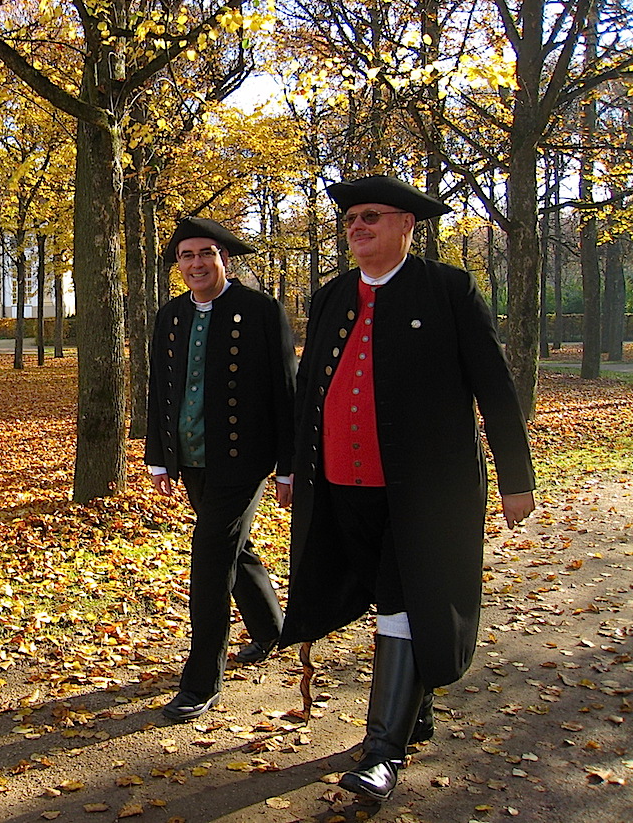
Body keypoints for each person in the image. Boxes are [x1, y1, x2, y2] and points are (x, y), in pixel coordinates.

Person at [279, 175, 536, 800]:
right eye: (349, 220)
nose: (357, 227)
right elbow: (310, 388)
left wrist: (516, 478)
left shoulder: (448, 289)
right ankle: (412, 710)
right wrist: (292, 467)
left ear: (405, 226)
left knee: (401, 597)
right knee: (382, 592)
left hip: (427, 490)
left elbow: (496, 389)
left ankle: (381, 752)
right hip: (344, 484)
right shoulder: (332, 295)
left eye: (371, 216)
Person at [146, 216, 297, 723]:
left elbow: (286, 393)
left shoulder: (260, 311)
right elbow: (160, 391)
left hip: (245, 459)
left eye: (204, 254)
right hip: (189, 457)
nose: (195, 264)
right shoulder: (169, 317)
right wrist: (158, 455)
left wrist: (289, 467)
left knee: (210, 558)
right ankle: (272, 628)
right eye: (186, 256)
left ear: (223, 258)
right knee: (234, 547)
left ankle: (201, 680)